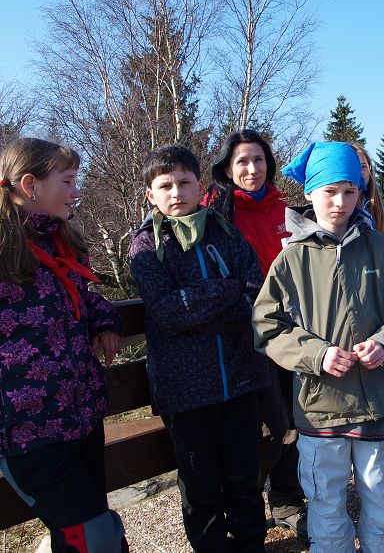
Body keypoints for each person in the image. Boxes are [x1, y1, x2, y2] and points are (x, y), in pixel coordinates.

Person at [253, 141, 384, 553]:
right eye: (330, 191)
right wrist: (316, 354)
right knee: (325, 501)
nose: (340, 201)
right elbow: (266, 326)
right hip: (320, 406)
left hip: (377, 405)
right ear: (310, 192)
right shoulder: (291, 259)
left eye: (350, 191)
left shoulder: (382, 249)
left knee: (381, 497)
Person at [129, 144, 270, 553]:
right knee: (200, 487)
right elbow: (169, 311)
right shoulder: (146, 246)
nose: (176, 192)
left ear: (199, 186)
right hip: (185, 391)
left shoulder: (226, 233)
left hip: (239, 378)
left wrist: (206, 301)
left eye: (184, 182)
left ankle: (251, 546)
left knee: (244, 478)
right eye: (165, 185)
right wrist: (227, 291)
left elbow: (255, 296)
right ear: (150, 194)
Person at [0, 138, 127, 552]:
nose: (76, 190)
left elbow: (80, 295)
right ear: (30, 185)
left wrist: (103, 317)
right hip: (28, 430)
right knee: (96, 537)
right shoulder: (3, 247)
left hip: (80, 414)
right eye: (67, 181)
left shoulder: (61, 239)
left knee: (90, 535)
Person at [204, 129, 308, 537]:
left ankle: (287, 499)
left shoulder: (285, 210)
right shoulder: (214, 212)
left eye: (259, 159)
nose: (252, 168)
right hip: (241, 336)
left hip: (291, 331)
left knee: (293, 417)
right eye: (242, 161)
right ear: (227, 168)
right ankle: (243, 508)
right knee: (263, 425)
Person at [349, 141, 384, 233]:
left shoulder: (373, 206)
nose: (360, 171)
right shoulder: (343, 206)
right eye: (354, 166)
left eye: (363, 166)